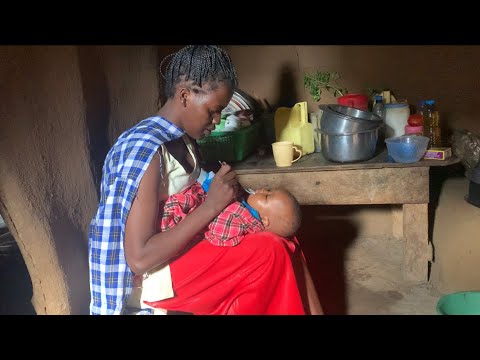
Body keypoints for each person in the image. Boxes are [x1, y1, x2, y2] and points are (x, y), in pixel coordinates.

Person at [88, 45, 322, 315]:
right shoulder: (145, 150)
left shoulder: (183, 139)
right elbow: (139, 259)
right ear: (185, 96)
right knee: (269, 250)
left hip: (186, 252)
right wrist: (212, 206)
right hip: (158, 277)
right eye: (213, 110)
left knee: (285, 239)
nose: (218, 119)